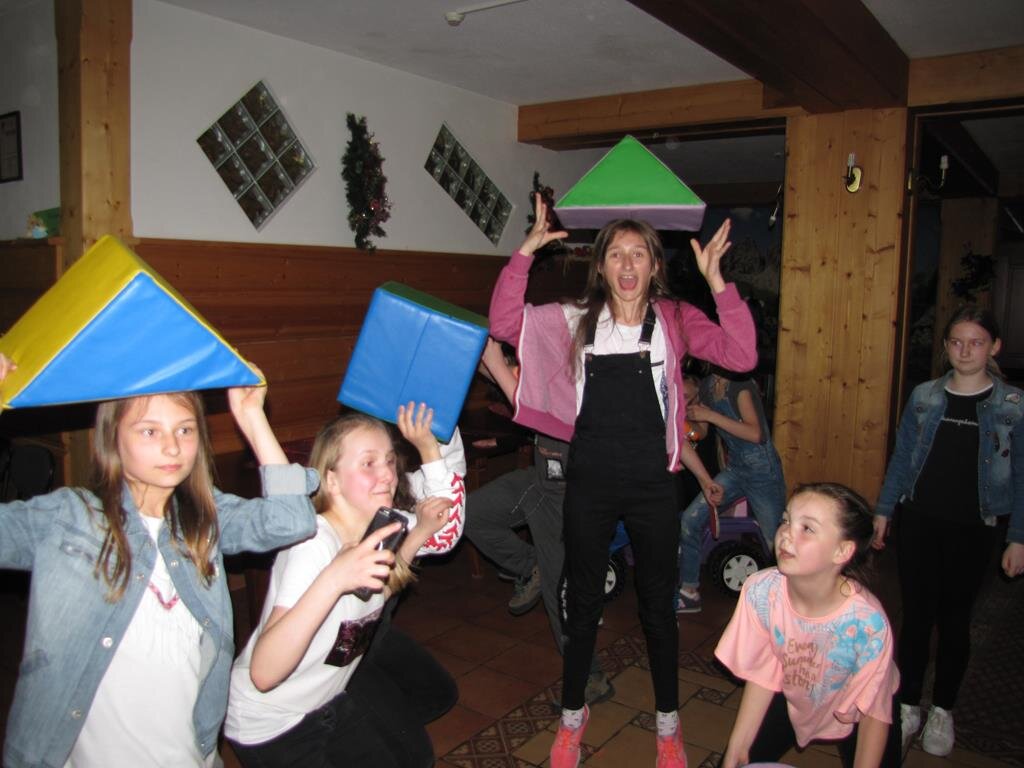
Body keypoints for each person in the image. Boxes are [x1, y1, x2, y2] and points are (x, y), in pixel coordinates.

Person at [489, 196, 756, 768]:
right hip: (590, 479)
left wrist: (717, 282)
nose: (628, 264)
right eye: (616, 253)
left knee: (658, 607)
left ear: (655, 265)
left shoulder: (675, 319)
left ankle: (668, 725)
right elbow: (504, 325)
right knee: (581, 601)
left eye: (639, 253)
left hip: (652, 483)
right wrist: (525, 253)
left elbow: (742, 353)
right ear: (602, 266)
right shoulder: (576, 319)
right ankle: (572, 717)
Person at [0, 352, 317, 768]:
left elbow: (291, 520)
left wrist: (251, 416)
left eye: (185, 429)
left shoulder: (205, 519)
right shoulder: (69, 518)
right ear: (113, 438)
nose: (172, 446)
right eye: (149, 431)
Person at [225, 404, 461, 768]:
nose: (387, 474)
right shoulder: (313, 545)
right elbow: (264, 673)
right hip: (273, 727)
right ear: (332, 481)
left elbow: (378, 592)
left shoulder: (376, 528)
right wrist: (334, 578)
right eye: (368, 463)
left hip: (326, 699)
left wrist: (420, 534)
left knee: (414, 756)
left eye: (389, 460)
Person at [873, 306, 1024, 756]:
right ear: (945, 346)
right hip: (920, 520)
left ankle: (943, 708)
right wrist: (884, 510)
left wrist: (1018, 536)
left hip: (975, 527)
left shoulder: (1012, 405)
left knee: (955, 620)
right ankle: (908, 704)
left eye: (976, 343)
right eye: (956, 342)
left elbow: (1021, 475)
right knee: (916, 617)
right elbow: (902, 458)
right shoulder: (924, 396)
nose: (965, 351)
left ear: (994, 347)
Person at [466, 338, 614, 704]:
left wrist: (496, 362)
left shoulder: (584, 384)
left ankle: (591, 678)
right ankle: (529, 565)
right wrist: (478, 348)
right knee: (471, 514)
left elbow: (532, 407)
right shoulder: (539, 372)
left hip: (569, 501)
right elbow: (500, 374)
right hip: (537, 483)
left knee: (559, 595)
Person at [717, 482, 902, 768]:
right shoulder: (762, 592)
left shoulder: (867, 623)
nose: (786, 534)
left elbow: (873, 713)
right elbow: (764, 670)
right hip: (795, 685)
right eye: (786, 520)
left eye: (807, 528)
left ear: (842, 551)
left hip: (860, 704)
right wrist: (737, 748)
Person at [677, 367, 785, 612]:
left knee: (776, 540)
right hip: (736, 468)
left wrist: (710, 415)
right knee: (690, 519)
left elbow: (756, 434)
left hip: (763, 471)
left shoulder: (740, 385)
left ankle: (784, 601)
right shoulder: (707, 385)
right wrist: (683, 420)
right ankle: (689, 591)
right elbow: (701, 432)